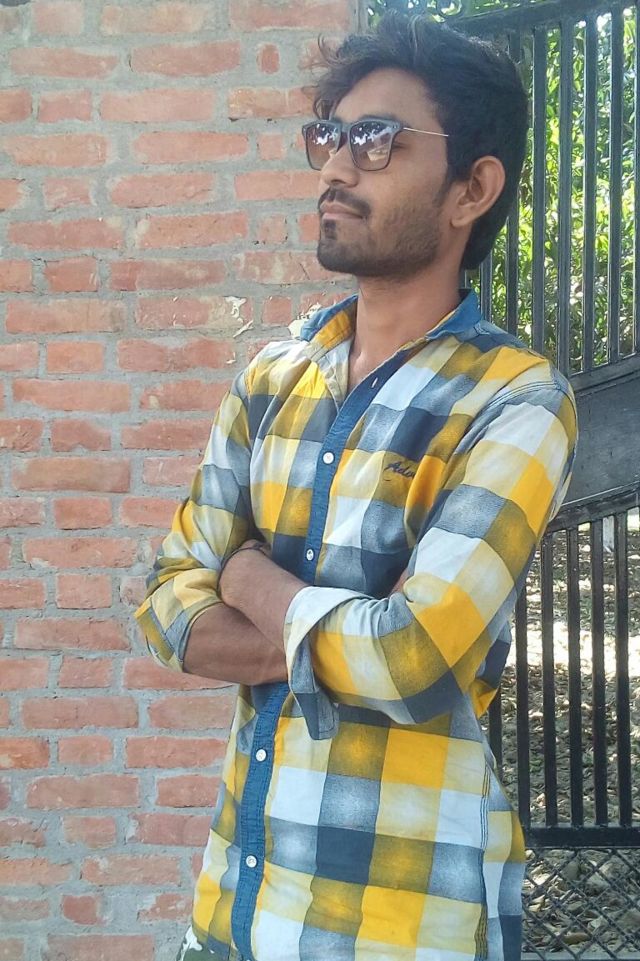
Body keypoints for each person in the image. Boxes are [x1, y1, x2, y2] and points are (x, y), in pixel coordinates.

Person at [135, 11, 577, 961]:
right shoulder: (272, 379)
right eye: (329, 136)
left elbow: (411, 659)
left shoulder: (514, 399)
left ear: (472, 189)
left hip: (403, 927)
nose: (337, 166)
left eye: (377, 139)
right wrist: (349, 636)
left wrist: (248, 578)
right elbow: (166, 602)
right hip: (234, 916)